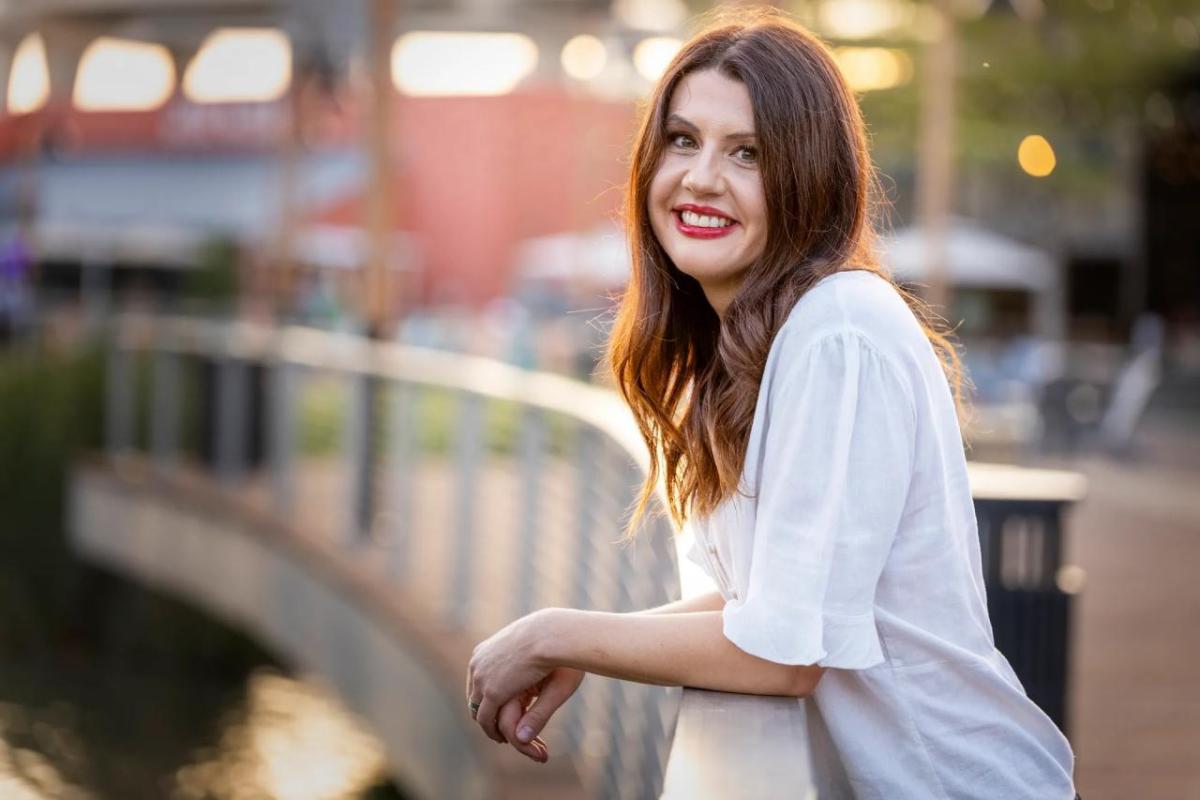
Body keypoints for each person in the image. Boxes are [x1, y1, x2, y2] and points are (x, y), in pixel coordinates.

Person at [465, 9, 1079, 798]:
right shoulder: (759, 343)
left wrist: (556, 630)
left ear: (807, 178)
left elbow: (785, 655)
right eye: (682, 140)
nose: (700, 177)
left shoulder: (838, 329)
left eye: (746, 153)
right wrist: (583, 649)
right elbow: (773, 599)